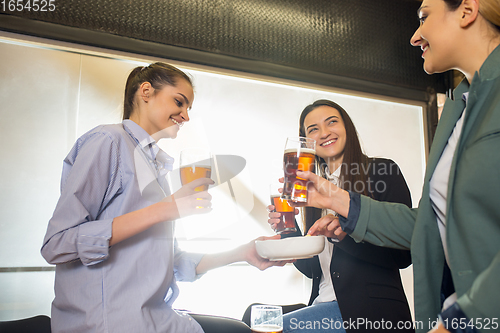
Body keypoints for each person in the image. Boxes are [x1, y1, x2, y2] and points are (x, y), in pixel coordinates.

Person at [298, 1, 500, 332]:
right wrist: (333, 200)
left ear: (467, 10)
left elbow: (405, 251)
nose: (414, 37)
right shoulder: (457, 108)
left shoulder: (381, 169)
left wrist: (462, 317)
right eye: (312, 129)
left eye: (424, 18)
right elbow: (427, 225)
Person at [41, 62, 285, 333]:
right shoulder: (108, 141)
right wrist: (165, 209)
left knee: (239, 329)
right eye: (179, 102)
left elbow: (174, 263)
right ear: (146, 91)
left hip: (155, 319)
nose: (186, 116)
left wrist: (244, 251)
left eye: (189, 108)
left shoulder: (152, 165)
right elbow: (57, 245)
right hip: (109, 323)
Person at [268, 100, 415, 332]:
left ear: (347, 127)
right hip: (324, 305)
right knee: (255, 317)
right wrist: (288, 230)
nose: (324, 132)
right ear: (306, 142)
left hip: (369, 313)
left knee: (268, 329)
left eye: (332, 122)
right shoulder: (314, 190)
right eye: (313, 129)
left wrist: (344, 237)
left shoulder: (381, 171)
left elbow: (403, 256)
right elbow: (314, 270)